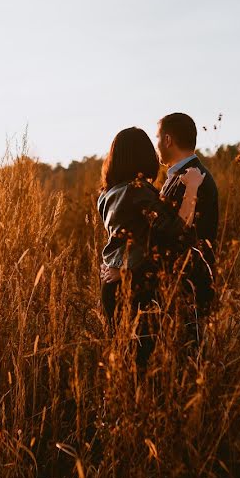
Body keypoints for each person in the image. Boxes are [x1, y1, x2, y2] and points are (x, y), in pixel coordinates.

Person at [97, 126, 206, 364]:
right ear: (144, 156)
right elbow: (177, 228)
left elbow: (125, 239)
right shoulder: (137, 190)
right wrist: (193, 187)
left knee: (123, 361)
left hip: (111, 285)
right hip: (133, 286)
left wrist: (117, 268)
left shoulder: (106, 194)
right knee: (141, 365)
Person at [155, 113, 219, 313]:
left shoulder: (191, 178)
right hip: (183, 284)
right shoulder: (184, 175)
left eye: (157, 138)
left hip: (188, 285)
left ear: (167, 140)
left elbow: (176, 235)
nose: (156, 144)